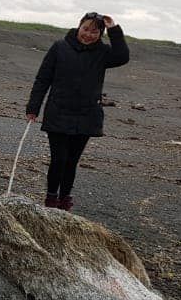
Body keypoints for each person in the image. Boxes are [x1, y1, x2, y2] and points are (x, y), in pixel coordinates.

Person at [25, 11, 129, 211]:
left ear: (101, 34)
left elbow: (123, 56)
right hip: (58, 112)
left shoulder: (103, 53)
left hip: (87, 114)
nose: (88, 34)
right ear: (79, 26)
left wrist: (114, 29)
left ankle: (65, 199)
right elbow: (43, 79)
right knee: (59, 159)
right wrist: (33, 107)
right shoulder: (59, 47)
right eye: (86, 29)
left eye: (95, 31)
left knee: (72, 161)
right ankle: (51, 198)